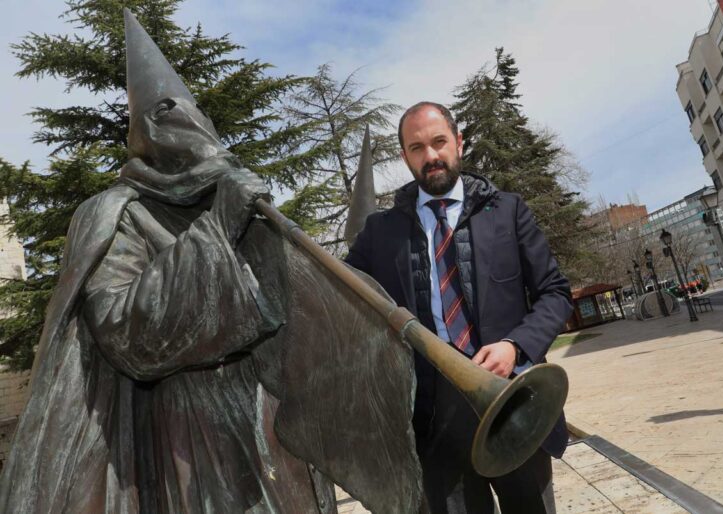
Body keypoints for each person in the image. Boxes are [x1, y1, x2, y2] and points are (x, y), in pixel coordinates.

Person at [0, 11, 423, 513]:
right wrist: (217, 229)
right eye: (169, 118)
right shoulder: (116, 215)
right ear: (147, 132)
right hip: (193, 435)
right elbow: (123, 333)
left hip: (269, 418)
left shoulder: (225, 193)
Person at [346, 101, 573, 514]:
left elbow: (555, 292)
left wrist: (515, 346)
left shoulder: (509, 211)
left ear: (458, 143)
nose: (430, 156)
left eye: (438, 142)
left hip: (512, 409)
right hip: (435, 429)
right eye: (416, 148)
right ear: (405, 157)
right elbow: (335, 293)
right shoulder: (379, 233)